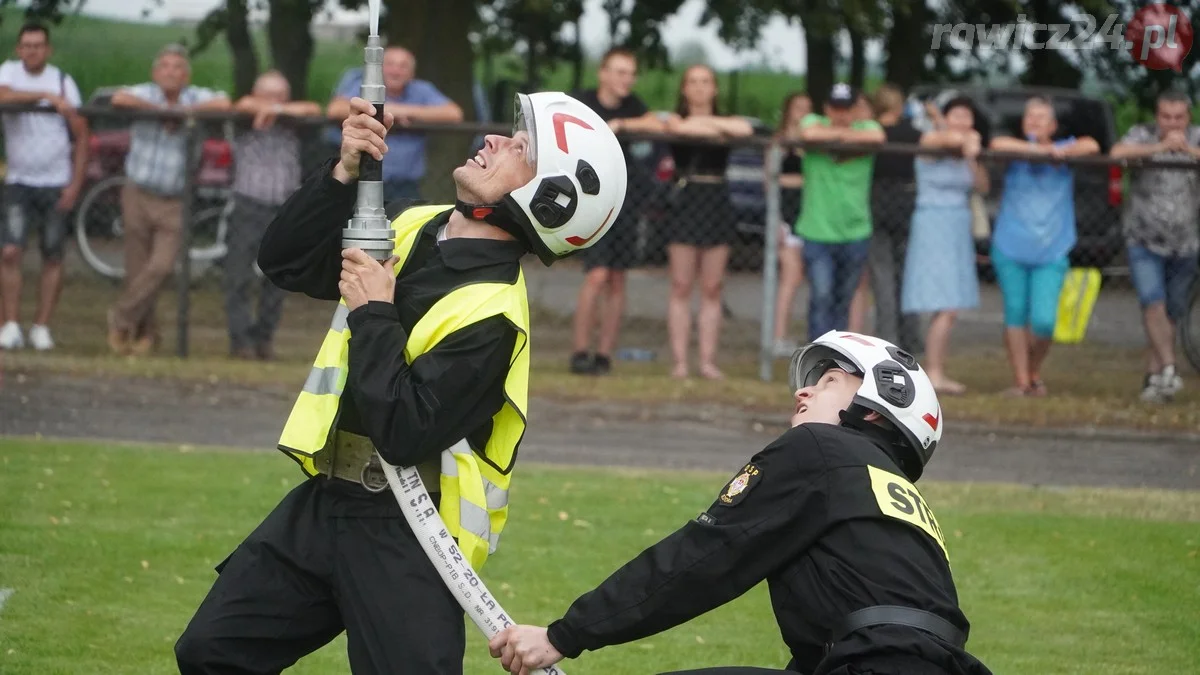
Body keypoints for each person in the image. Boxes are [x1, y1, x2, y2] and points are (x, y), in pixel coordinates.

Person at [173, 91, 628, 674]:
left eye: (519, 148)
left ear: (551, 200)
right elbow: (287, 261)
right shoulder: (416, 225)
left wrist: (373, 314)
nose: (491, 140)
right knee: (212, 652)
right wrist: (342, 174)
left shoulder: (492, 317)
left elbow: (404, 431)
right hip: (325, 502)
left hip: (409, 535)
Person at [489, 330, 993, 675]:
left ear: (879, 408)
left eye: (829, 381)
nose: (803, 391)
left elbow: (703, 558)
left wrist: (562, 635)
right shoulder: (894, 498)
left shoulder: (820, 450)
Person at [107, 44, 232, 356]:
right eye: (164, 66)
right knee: (137, 270)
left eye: (177, 67)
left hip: (175, 199)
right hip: (137, 192)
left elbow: (224, 102)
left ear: (186, 75)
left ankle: (120, 318)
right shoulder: (144, 94)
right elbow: (118, 98)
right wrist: (161, 112)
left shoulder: (195, 98)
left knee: (160, 267)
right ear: (155, 72)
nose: (171, 72)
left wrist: (185, 112)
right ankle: (144, 335)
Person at [988, 97, 1099, 396]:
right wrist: (1038, 149)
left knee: (1043, 322)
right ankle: (1022, 382)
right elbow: (997, 145)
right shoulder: (1014, 151)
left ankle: (1034, 369)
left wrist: (1058, 151)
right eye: (1030, 116)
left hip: (1052, 250)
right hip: (1010, 247)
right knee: (1015, 314)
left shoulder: (1064, 151)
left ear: (1053, 125)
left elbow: (1092, 145)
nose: (1035, 122)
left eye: (1042, 117)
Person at [568, 47, 665, 375]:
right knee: (596, 275)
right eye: (620, 72)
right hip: (591, 199)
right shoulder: (581, 102)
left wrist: (622, 123)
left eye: (631, 73)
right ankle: (580, 350)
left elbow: (655, 123)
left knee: (618, 278)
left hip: (627, 200)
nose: (627, 79)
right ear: (603, 73)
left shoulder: (633, 106)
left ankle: (604, 353)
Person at [223, 70, 323, 360]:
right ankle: (240, 342)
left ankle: (264, 338)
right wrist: (263, 108)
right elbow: (241, 106)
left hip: (284, 208)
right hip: (248, 203)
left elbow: (314, 109)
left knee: (278, 278)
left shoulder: (294, 122)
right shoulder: (244, 121)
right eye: (267, 95)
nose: (274, 101)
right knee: (238, 276)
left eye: (281, 96)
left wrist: (276, 109)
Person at [0, 21, 88, 352]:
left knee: (52, 255)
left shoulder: (64, 81)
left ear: (48, 50)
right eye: (27, 45)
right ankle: (9, 323)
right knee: (9, 251)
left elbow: (81, 135)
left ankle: (41, 326)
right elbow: (3, 94)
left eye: (39, 45)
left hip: (55, 180)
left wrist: (75, 183)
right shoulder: (8, 73)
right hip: (19, 180)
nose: (32, 51)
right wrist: (45, 97)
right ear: (18, 49)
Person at [663, 64, 754, 379]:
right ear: (684, 88)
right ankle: (680, 363)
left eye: (706, 82)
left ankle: (706, 361)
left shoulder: (729, 120)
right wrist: (714, 127)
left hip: (717, 199)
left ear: (714, 88)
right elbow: (679, 130)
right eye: (693, 82)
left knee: (713, 286)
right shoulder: (674, 119)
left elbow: (744, 130)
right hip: (686, 199)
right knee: (681, 285)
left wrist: (705, 123)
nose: (700, 88)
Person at [1109, 90, 1199, 403]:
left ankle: (1155, 378)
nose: (1172, 123)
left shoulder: (1196, 137)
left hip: (1185, 242)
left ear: (1188, 117)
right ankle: (1171, 369)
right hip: (1143, 238)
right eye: (1166, 117)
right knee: (1152, 302)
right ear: (1157, 116)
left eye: (1179, 117)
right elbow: (1117, 152)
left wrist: (1187, 150)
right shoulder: (1142, 135)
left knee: (1170, 313)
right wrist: (1160, 147)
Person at [902, 96, 990, 395]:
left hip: (957, 226)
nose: (963, 122)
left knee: (949, 305)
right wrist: (962, 137)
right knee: (945, 305)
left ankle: (937, 369)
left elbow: (982, 186)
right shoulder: (930, 141)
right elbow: (942, 139)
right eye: (957, 115)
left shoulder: (967, 150)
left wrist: (971, 156)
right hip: (932, 223)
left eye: (968, 117)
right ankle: (933, 372)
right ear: (945, 118)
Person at [796, 83, 885, 342]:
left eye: (847, 109)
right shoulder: (813, 121)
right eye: (835, 108)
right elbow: (809, 134)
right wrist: (844, 138)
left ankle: (836, 356)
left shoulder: (868, 127)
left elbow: (877, 138)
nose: (841, 115)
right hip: (817, 229)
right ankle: (818, 354)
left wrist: (833, 137)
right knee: (821, 296)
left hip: (856, 230)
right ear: (826, 108)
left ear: (856, 109)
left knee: (843, 299)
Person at [327, 45, 463, 203]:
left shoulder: (421, 90)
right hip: (361, 180)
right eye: (390, 64)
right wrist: (385, 111)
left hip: (406, 186)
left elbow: (454, 113)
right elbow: (334, 109)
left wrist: (403, 111)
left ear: (411, 74)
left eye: (403, 66)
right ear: (379, 69)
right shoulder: (364, 87)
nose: (396, 71)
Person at [868, 84, 923, 353]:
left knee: (882, 275)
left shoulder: (870, 134)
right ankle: (911, 337)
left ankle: (887, 337)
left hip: (875, 201)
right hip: (905, 201)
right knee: (907, 275)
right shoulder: (912, 134)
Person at [770, 91, 810, 358]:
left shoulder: (815, 144)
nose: (802, 114)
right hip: (787, 216)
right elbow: (772, 180)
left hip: (813, 216)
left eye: (807, 109)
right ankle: (777, 336)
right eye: (798, 108)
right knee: (790, 277)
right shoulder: (778, 143)